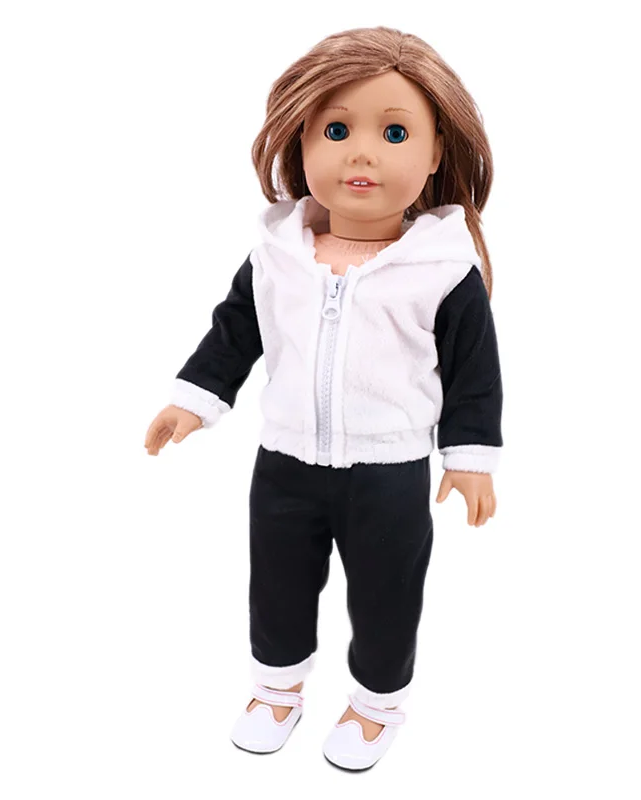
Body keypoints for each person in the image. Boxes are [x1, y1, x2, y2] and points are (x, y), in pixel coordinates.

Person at [143, 25, 503, 771]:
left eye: (394, 133)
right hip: (285, 462)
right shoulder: (277, 255)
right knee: (276, 585)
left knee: (385, 597)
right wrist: (194, 399)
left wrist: (469, 459)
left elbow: (474, 372)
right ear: (300, 141)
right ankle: (275, 691)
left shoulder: (441, 269)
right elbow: (234, 332)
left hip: (389, 471)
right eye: (336, 130)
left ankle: (375, 706)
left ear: (436, 153)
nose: (361, 154)